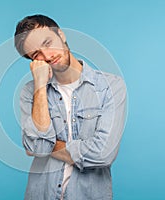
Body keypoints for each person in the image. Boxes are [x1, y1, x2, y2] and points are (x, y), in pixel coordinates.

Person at [14, 14, 127, 200]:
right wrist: (40, 86)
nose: (47, 55)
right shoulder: (30, 92)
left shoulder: (111, 86)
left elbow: (103, 154)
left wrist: (49, 145)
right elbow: (36, 147)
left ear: (61, 35)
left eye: (48, 42)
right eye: (36, 54)